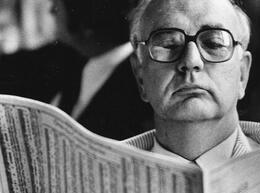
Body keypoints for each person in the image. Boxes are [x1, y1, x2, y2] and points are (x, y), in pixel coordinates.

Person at [120, 0, 260, 169]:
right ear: (140, 75)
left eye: (214, 43)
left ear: (242, 73)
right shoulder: (96, 177)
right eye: (168, 45)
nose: (191, 61)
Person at [0, 0, 153, 139]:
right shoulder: (67, 54)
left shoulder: (138, 89)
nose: (52, 10)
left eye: (58, 4)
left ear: (86, 19)